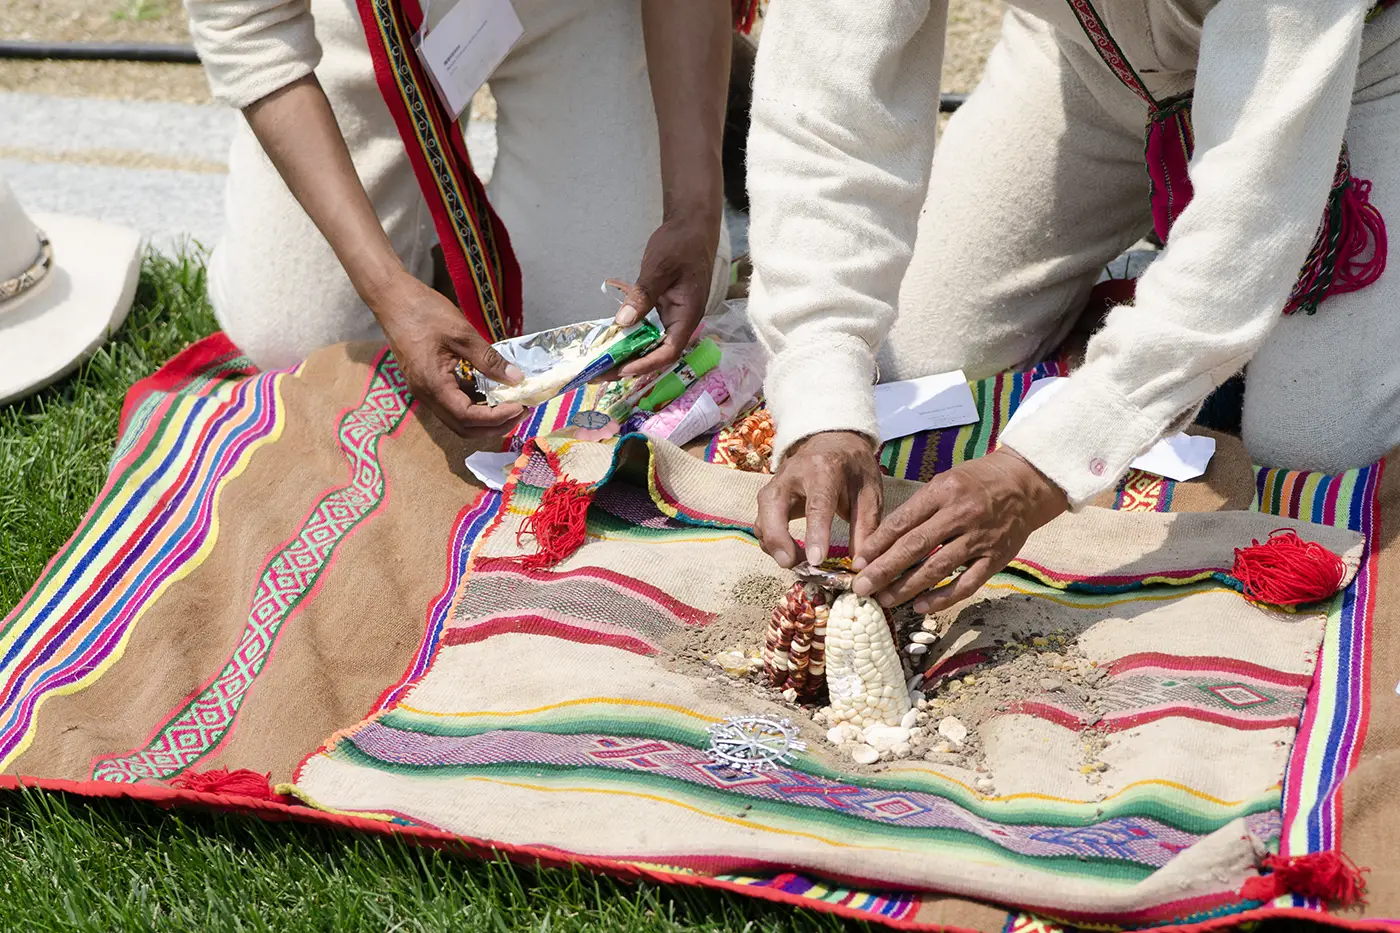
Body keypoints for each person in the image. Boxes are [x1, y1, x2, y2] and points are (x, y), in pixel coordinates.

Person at [746, 0, 1400, 611]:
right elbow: (824, 109)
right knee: (920, 360)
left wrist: (1040, 471)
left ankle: (1196, 341)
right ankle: (1162, 316)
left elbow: (1251, 211)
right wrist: (822, 397)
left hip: (1355, 66)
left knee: (1319, 456)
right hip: (1089, 61)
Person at [186, 0, 733, 436]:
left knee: (617, 328)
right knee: (299, 338)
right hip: (360, 21)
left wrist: (693, 208)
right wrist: (384, 287)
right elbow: (250, 29)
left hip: (573, 12)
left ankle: (692, 79)